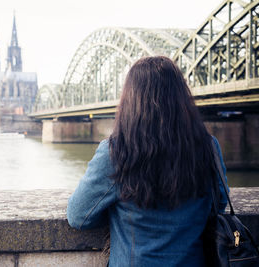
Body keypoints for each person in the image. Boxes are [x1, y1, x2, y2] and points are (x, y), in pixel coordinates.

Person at [67, 56, 229, 267]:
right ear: (181, 97)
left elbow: (78, 216)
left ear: (130, 99)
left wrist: (118, 212)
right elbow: (220, 203)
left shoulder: (116, 152)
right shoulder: (209, 146)